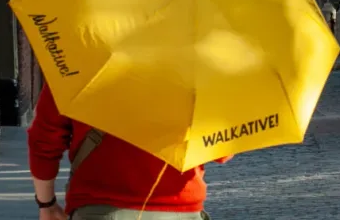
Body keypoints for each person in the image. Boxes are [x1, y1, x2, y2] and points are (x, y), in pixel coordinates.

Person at [28, 84, 232, 220]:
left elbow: (43, 139)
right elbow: (222, 150)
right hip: (179, 210)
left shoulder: (76, 60)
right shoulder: (198, 70)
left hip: (99, 210)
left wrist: (47, 204)